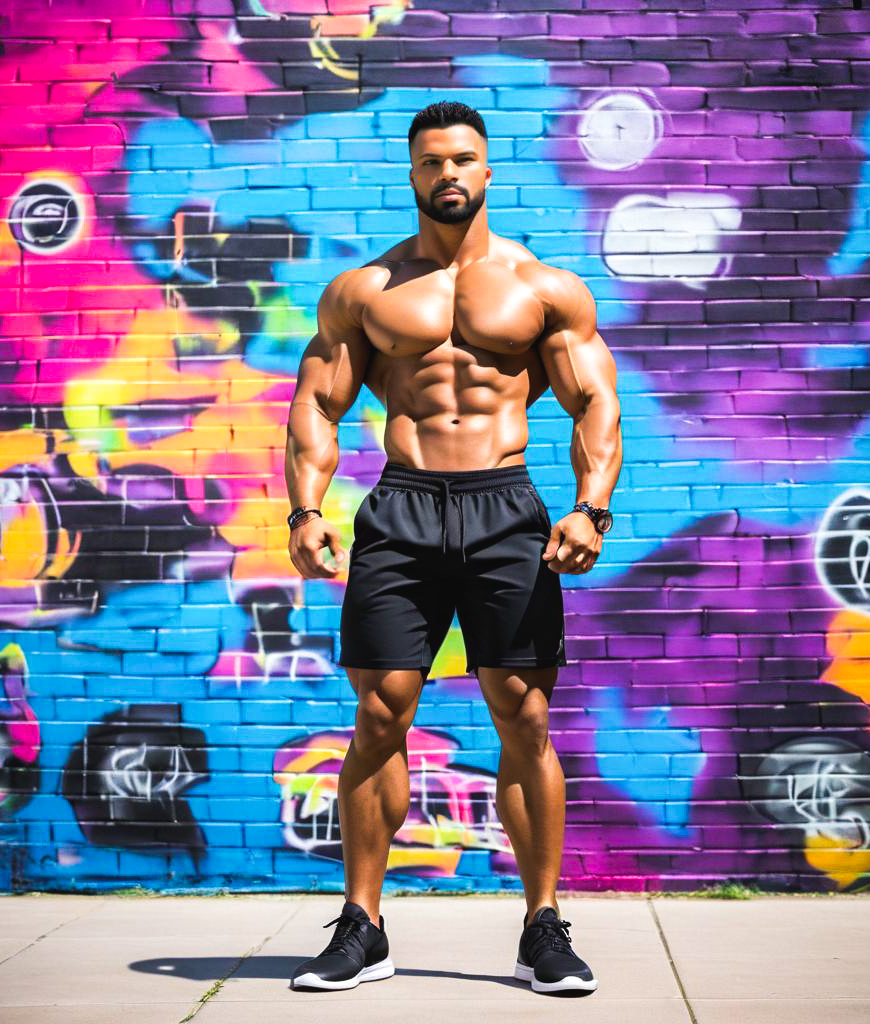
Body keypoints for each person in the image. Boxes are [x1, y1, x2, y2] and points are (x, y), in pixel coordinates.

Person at [283, 100, 622, 996]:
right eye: (431, 161)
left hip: (504, 507)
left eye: (463, 159)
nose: (448, 175)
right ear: (411, 173)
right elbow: (319, 403)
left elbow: (594, 404)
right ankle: (364, 925)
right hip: (399, 510)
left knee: (525, 713)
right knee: (382, 713)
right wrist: (304, 511)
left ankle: (542, 926)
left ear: (487, 170)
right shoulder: (367, 291)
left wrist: (592, 509)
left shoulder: (542, 288)